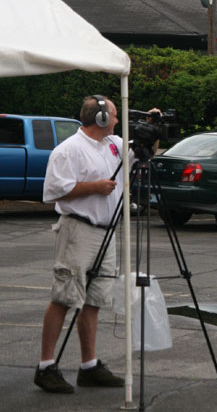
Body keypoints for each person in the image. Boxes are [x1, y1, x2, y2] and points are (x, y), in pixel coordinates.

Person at [34, 95, 132, 393]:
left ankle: (89, 366)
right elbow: (52, 191)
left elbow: (142, 155)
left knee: (94, 300)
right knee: (64, 295)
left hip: (107, 232)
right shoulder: (69, 150)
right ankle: (46, 365)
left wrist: (152, 132)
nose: (117, 121)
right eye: (114, 116)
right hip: (78, 230)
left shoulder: (113, 144)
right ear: (100, 118)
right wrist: (95, 187)